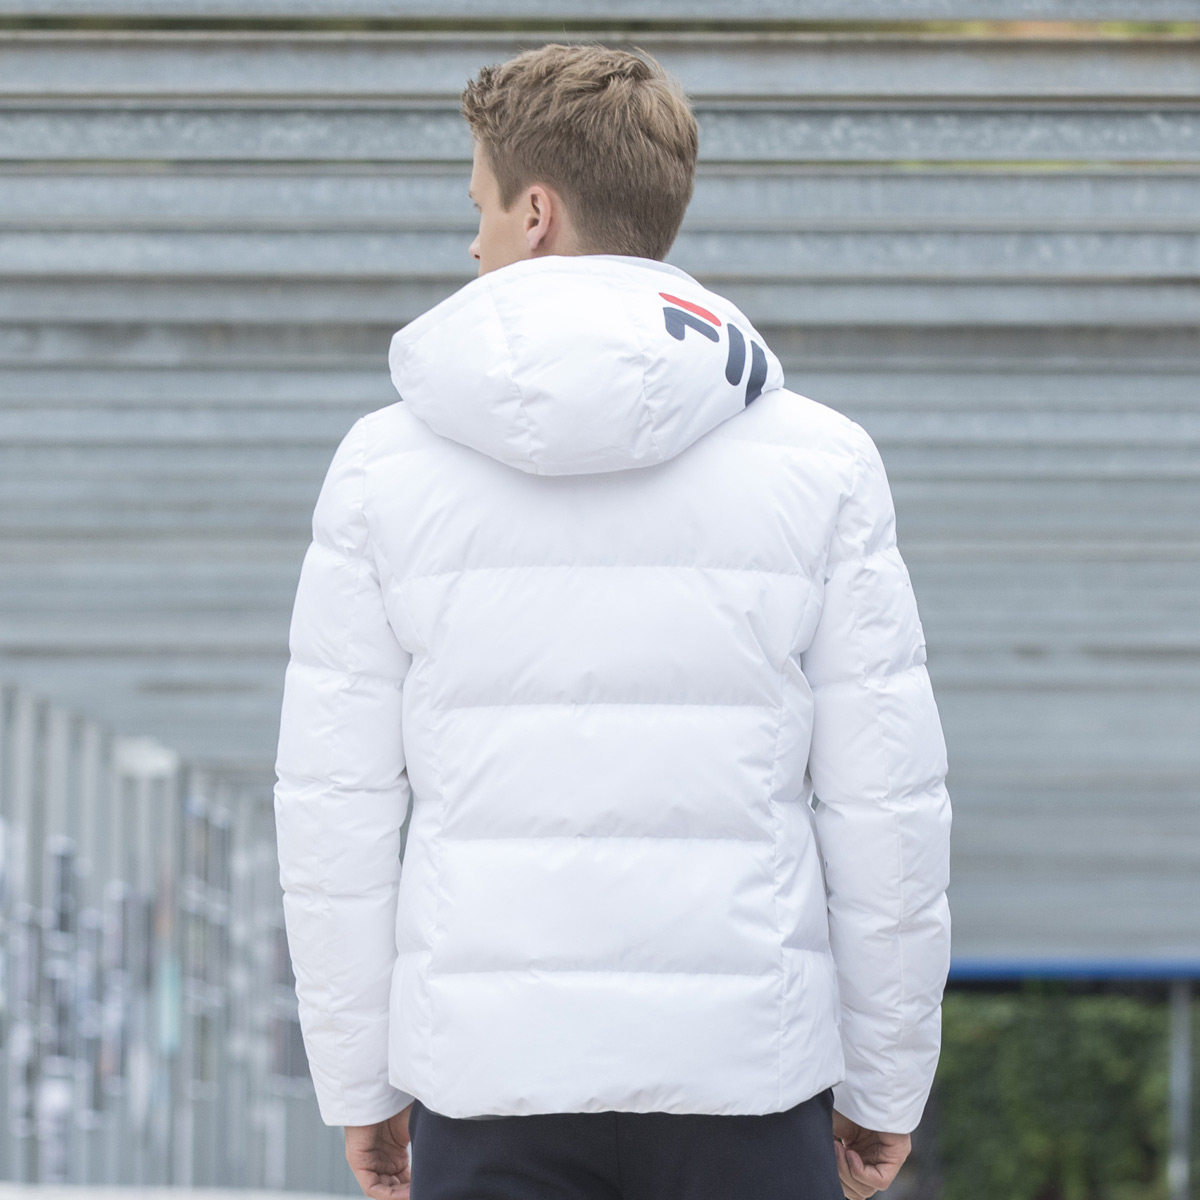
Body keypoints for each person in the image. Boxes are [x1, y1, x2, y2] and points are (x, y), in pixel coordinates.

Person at [273, 40, 952, 1200]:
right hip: (747, 1080)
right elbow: (886, 808)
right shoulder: (824, 463)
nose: (473, 241)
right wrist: (886, 1086)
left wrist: (359, 1083)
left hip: (488, 1082)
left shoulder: (384, 466)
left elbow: (336, 811)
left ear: (535, 213)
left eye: (479, 206)